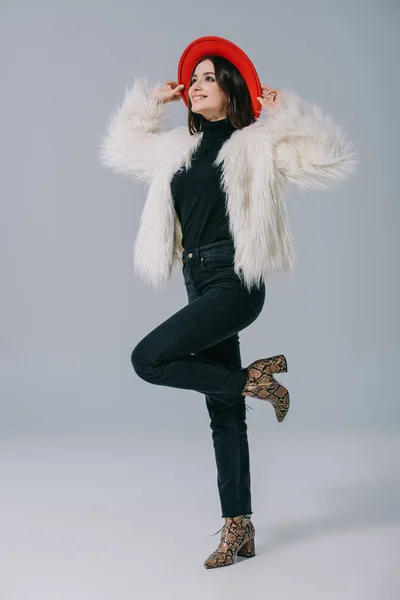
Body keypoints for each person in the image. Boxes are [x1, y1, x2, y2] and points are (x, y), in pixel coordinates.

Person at [99, 36, 357, 569]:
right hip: (196, 279)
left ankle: (251, 381)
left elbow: (329, 162)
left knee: (148, 359)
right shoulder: (178, 149)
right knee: (223, 413)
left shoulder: (257, 143)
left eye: (208, 77)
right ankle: (239, 528)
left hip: (234, 279)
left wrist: (292, 117)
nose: (195, 84)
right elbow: (121, 149)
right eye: (192, 77)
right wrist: (152, 104)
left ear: (232, 90)